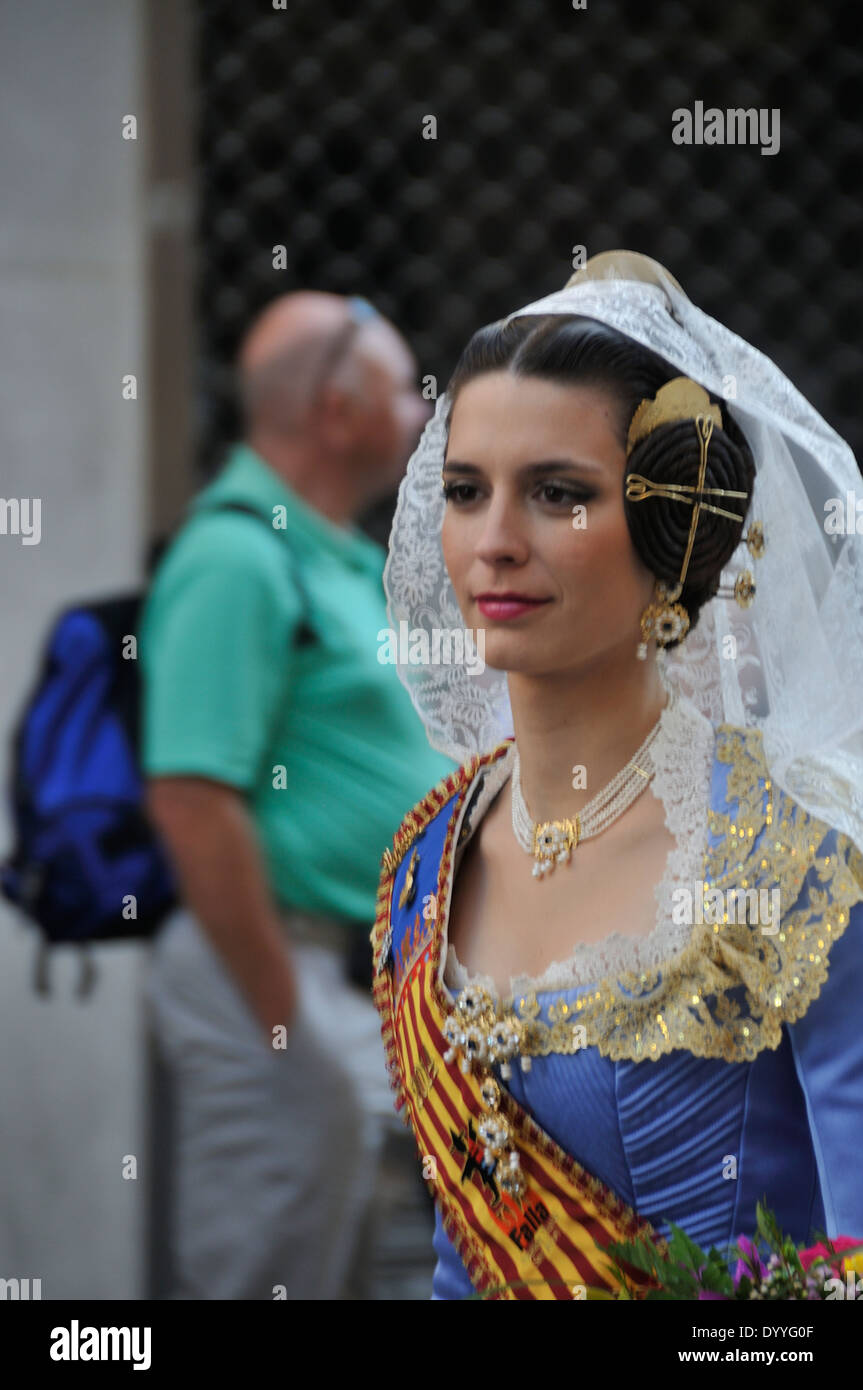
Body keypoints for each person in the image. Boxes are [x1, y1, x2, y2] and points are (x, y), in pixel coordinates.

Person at [370, 251, 863, 1300]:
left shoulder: (793, 857)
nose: (493, 542)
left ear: (669, 529)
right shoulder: (426, 861)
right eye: (465, 491)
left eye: (557, 493)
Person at [141, 291, 454, 1299]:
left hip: (346, 983)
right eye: (405, 390)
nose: (421, 413)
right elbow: (192, 795)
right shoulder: (236, 557)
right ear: (338, 409)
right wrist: (289, 1021)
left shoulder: (337, 556)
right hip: (276, 968)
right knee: (264, 1274)